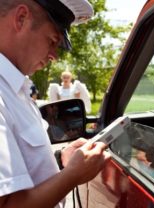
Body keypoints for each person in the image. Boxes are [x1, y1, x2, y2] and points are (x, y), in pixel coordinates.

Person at [0, 0, 107, 207]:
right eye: (52, 41)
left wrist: (60, 160)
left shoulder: (16, 88)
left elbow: (26, 165)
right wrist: (72, 175)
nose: (54, 56)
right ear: (21, 18)